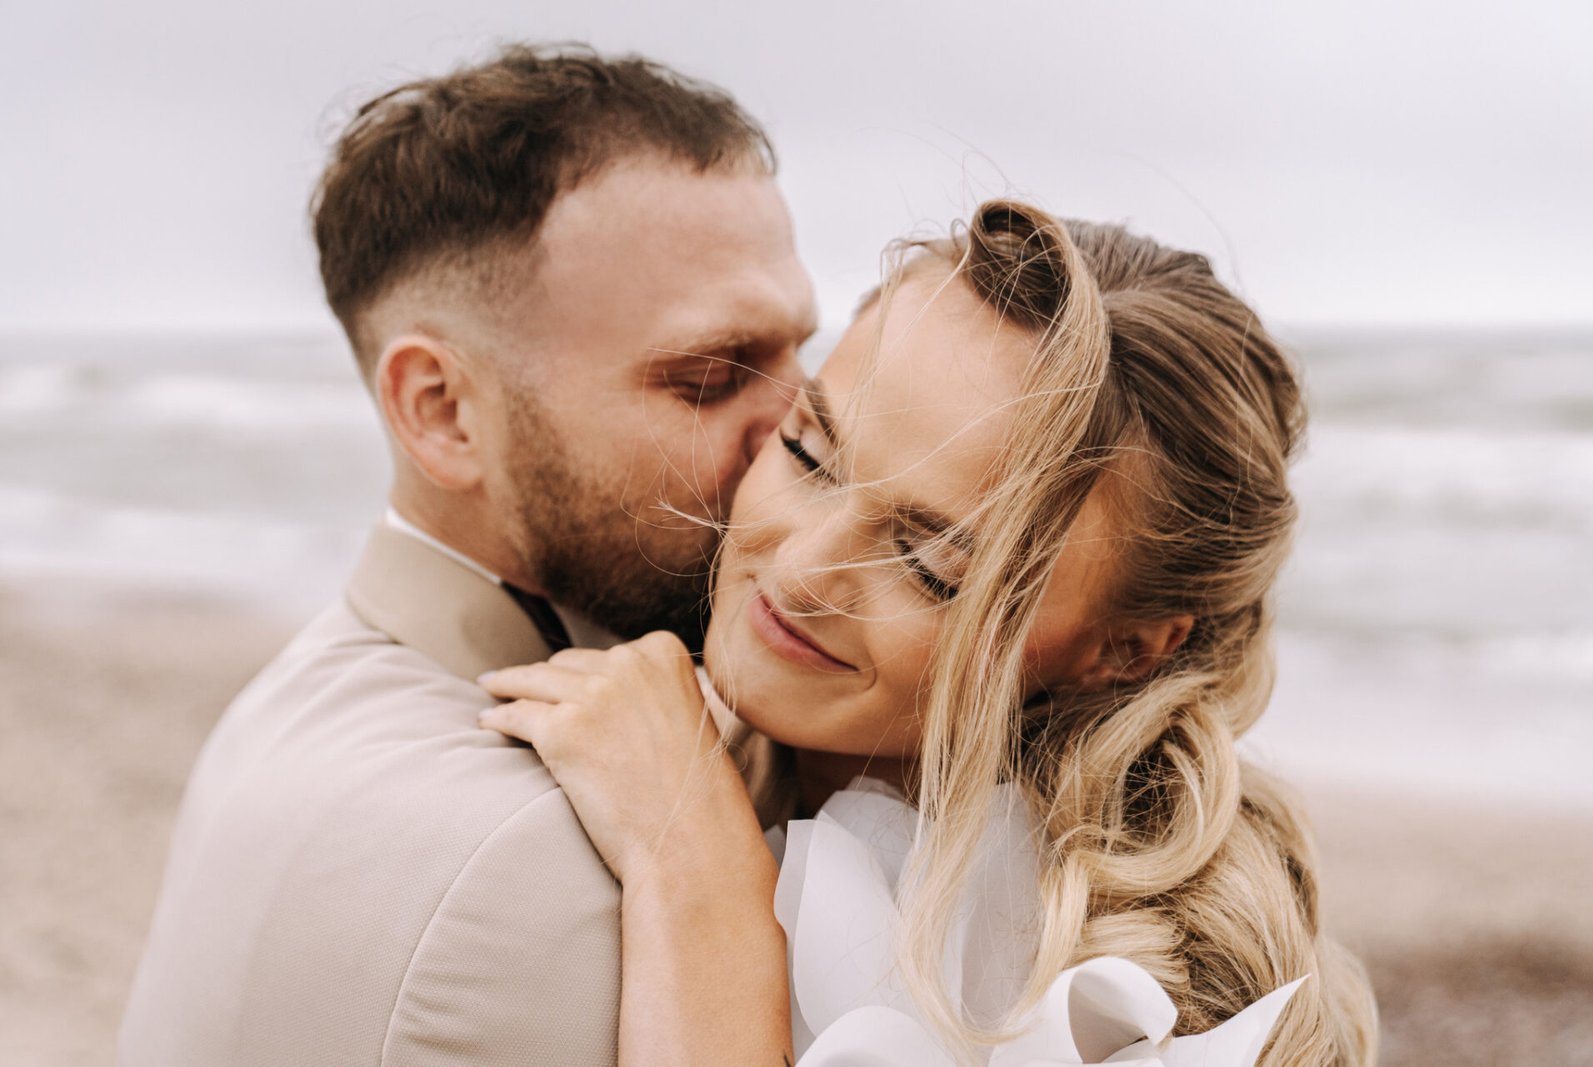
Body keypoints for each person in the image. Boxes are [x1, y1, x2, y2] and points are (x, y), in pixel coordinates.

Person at [479, 200, 1380, 1064]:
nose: (801, 572)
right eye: (807, 453)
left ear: (1122, 651)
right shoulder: (674, 737)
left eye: (931, 564)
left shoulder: (1101, 1010)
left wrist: (697, 871)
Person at [118, 45, 815, 1066]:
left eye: (805, 360)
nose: (800, 441)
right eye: (711, 377)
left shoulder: (291, 696)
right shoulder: (544, 860)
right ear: (442, 410)